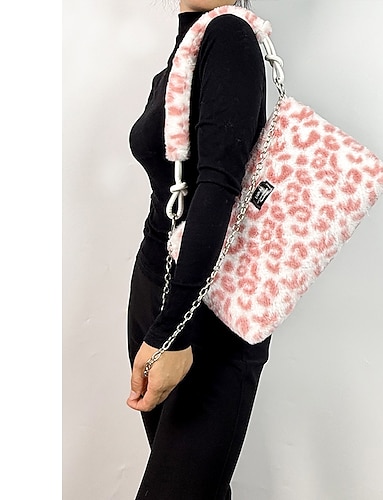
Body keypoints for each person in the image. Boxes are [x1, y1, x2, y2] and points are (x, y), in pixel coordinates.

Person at [126, 0, 271, 498]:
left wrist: (171, 333)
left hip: (210, 312)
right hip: (157, 288)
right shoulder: (186, 49)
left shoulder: (229, 36)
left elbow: (217, 189)